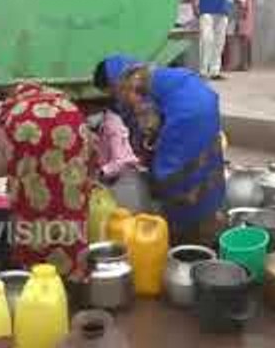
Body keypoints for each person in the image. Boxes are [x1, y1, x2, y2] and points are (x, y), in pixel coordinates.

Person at [93, 55, 226, 246]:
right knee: (206, 160)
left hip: (186, 115)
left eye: (110, 91)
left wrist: (146, 154)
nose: (113, 96)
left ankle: (181, 231)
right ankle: (210, 219)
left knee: (171, 174)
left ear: (113, 85)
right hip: (205, 101)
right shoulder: (144, 71)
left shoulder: (130, 85)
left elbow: (148, 127)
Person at [0, 83, 95, 283]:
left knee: (32, 203)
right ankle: (74, 275)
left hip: (26, 143)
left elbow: (8, 157)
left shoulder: (7, 113)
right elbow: (89, 152)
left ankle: (36, 277)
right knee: (70, 203)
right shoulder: (69, 106)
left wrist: (16, 186)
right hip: (72, 141)